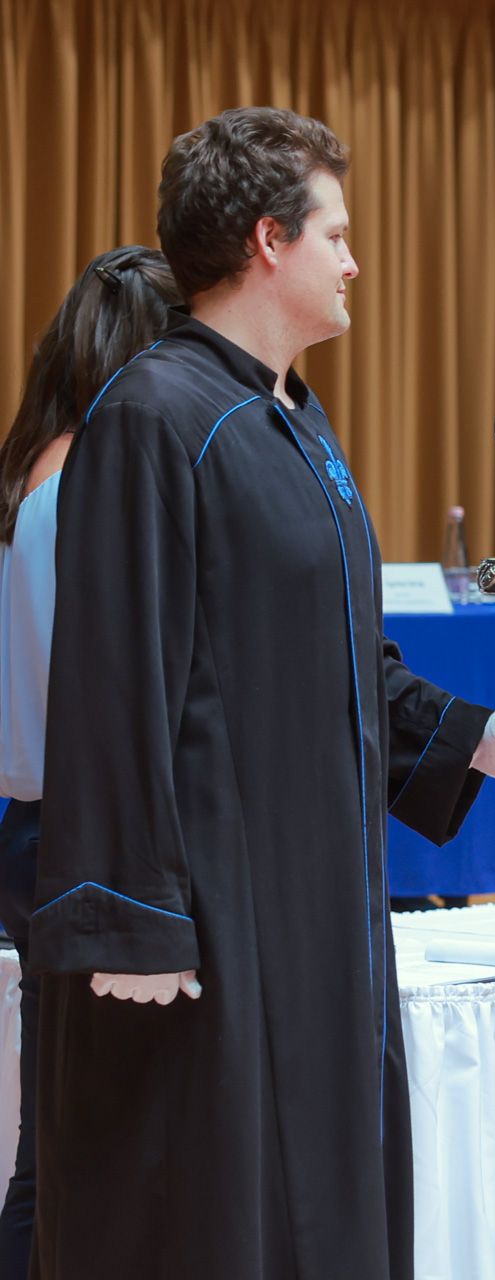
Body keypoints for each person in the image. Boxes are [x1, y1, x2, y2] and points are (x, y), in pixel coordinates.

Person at [29, 107, 495, 1279]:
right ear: (268, 241)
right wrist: (130, 912)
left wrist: (472, 734)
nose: (355, 262)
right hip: (209, 924)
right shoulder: (152, 414)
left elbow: (344, 657)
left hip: (320, 913)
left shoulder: (297, 422)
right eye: (337, 234)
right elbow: (112, 678)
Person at [0, 246, 181, 1279]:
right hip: (86, 829)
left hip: (32, 821)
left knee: (56, 1141)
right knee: (82, 1149)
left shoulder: (33, 466)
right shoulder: (96, 481)